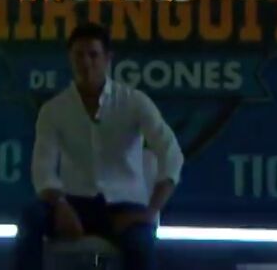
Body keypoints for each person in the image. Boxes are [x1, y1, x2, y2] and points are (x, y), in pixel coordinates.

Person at [13, 22, 183, 270]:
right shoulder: (54, 110)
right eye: (79, 55)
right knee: (31, 219)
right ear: (70, 59)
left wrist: (151, 210)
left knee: (140, 247)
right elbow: (42, 169)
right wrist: (60, 205)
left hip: (125, 207)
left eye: (93, 55)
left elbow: (171, 155)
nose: (86, 62)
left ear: (107, 59)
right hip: (74, 203)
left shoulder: (134, 102)